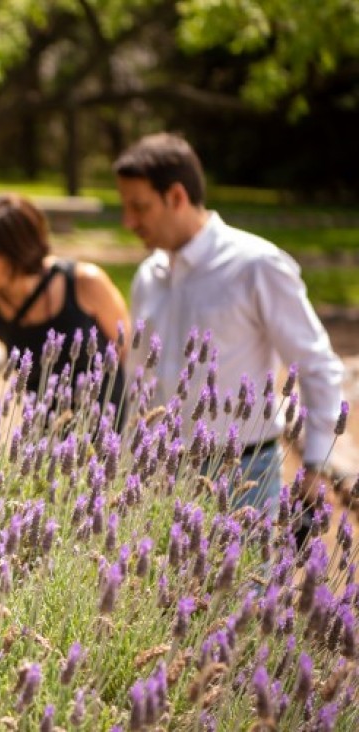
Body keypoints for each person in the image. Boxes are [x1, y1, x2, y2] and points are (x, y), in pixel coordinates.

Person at [113, 132, 345, 520]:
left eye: (139, 207)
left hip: (242, 476)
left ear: (176, 197)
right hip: (158, 476)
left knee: (241, 583)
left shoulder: (256, 265)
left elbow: (316, 363)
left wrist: (317, 465)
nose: (128, 221)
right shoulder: (147, 276)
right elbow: (139, 378)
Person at [0, 193, 129, 416]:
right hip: (43, 438)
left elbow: (126, 349)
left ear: (18, 250)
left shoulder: (85, 283)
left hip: (108, 428)